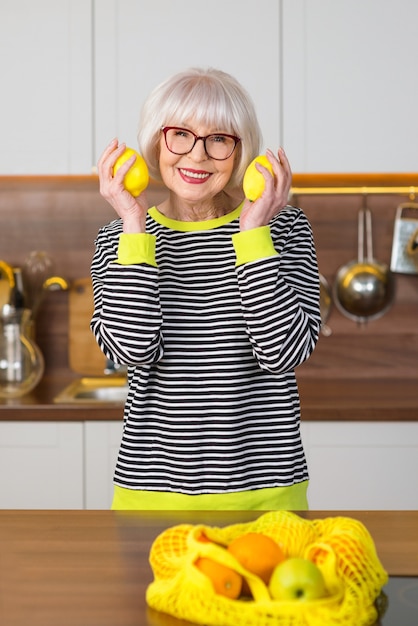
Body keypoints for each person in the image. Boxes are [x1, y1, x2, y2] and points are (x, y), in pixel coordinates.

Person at [91, 67, 321, 511]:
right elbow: (129, 352)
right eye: (180, 134)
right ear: (156, 143)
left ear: (240, 152)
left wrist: (253, 233)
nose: (197, 156)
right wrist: (134, 226)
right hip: (150, 497)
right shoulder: (119, 237)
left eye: (219, 139)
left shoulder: (286, 229)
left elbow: (284, 353)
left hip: (267, 497)